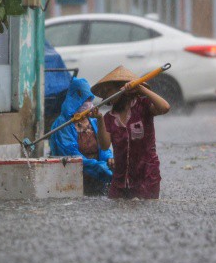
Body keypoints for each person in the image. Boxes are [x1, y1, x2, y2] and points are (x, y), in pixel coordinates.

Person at [90, 66, 170, 199]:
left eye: (108, 90)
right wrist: (99, 119)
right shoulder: (109, 117)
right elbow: (104, 145)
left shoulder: (143, 106)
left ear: (122, 89)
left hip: (146, 175)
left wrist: (140, 88)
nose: (106, 95)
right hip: (120, 179)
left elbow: (165, 107)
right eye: (104, 92)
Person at [49, 78, 114, 195]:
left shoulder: (94, 121)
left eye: (90, 99)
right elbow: (71, 154)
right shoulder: (63, 125)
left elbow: (104, 147)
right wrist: (97, 167)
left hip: (98, 179)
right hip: (72, 180)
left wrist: (109, 158)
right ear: (75, 99)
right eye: (85, 99)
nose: (88, 103)